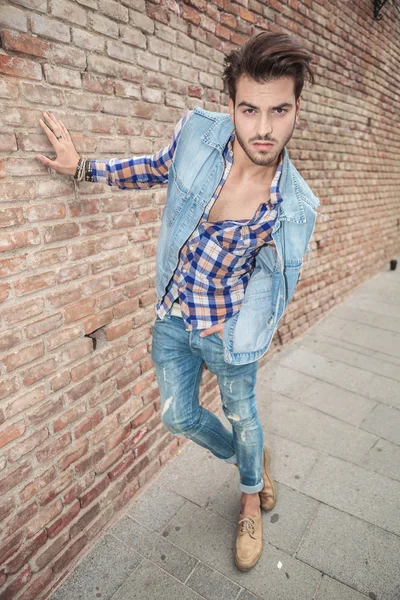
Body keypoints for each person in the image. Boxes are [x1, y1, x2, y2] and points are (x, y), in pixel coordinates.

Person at [36, 31, 320, 571]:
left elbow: (274, 285)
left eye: (279, 110)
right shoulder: (197, 133)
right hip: (172, 318)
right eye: (249, 109)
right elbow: (153, 167)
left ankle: (248, 498)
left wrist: (239, 336)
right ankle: (252, 463)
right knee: (179, 417)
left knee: (242, 413)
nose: (263, 128)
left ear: (296, 107)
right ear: (230, 104)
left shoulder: (295, 206)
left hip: (227, 333)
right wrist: (82, 167)